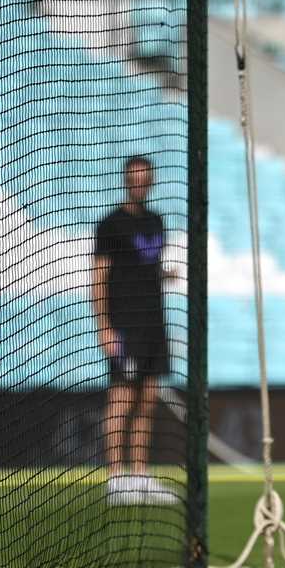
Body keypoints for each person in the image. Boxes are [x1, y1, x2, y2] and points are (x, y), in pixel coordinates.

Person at [92, 155, 179, 506]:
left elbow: (145, 268)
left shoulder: (156, 221)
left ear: (151, 181)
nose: (140, 182)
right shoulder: (111, 224)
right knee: (121, 400)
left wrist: (164, 275)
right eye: (135, 177)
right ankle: (117, 479)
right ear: (127, 180)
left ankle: (140, 476)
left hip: (153, 324)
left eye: (145, 177)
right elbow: (99, 277)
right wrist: (105, 327)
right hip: (125, 325)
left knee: (148, 401)